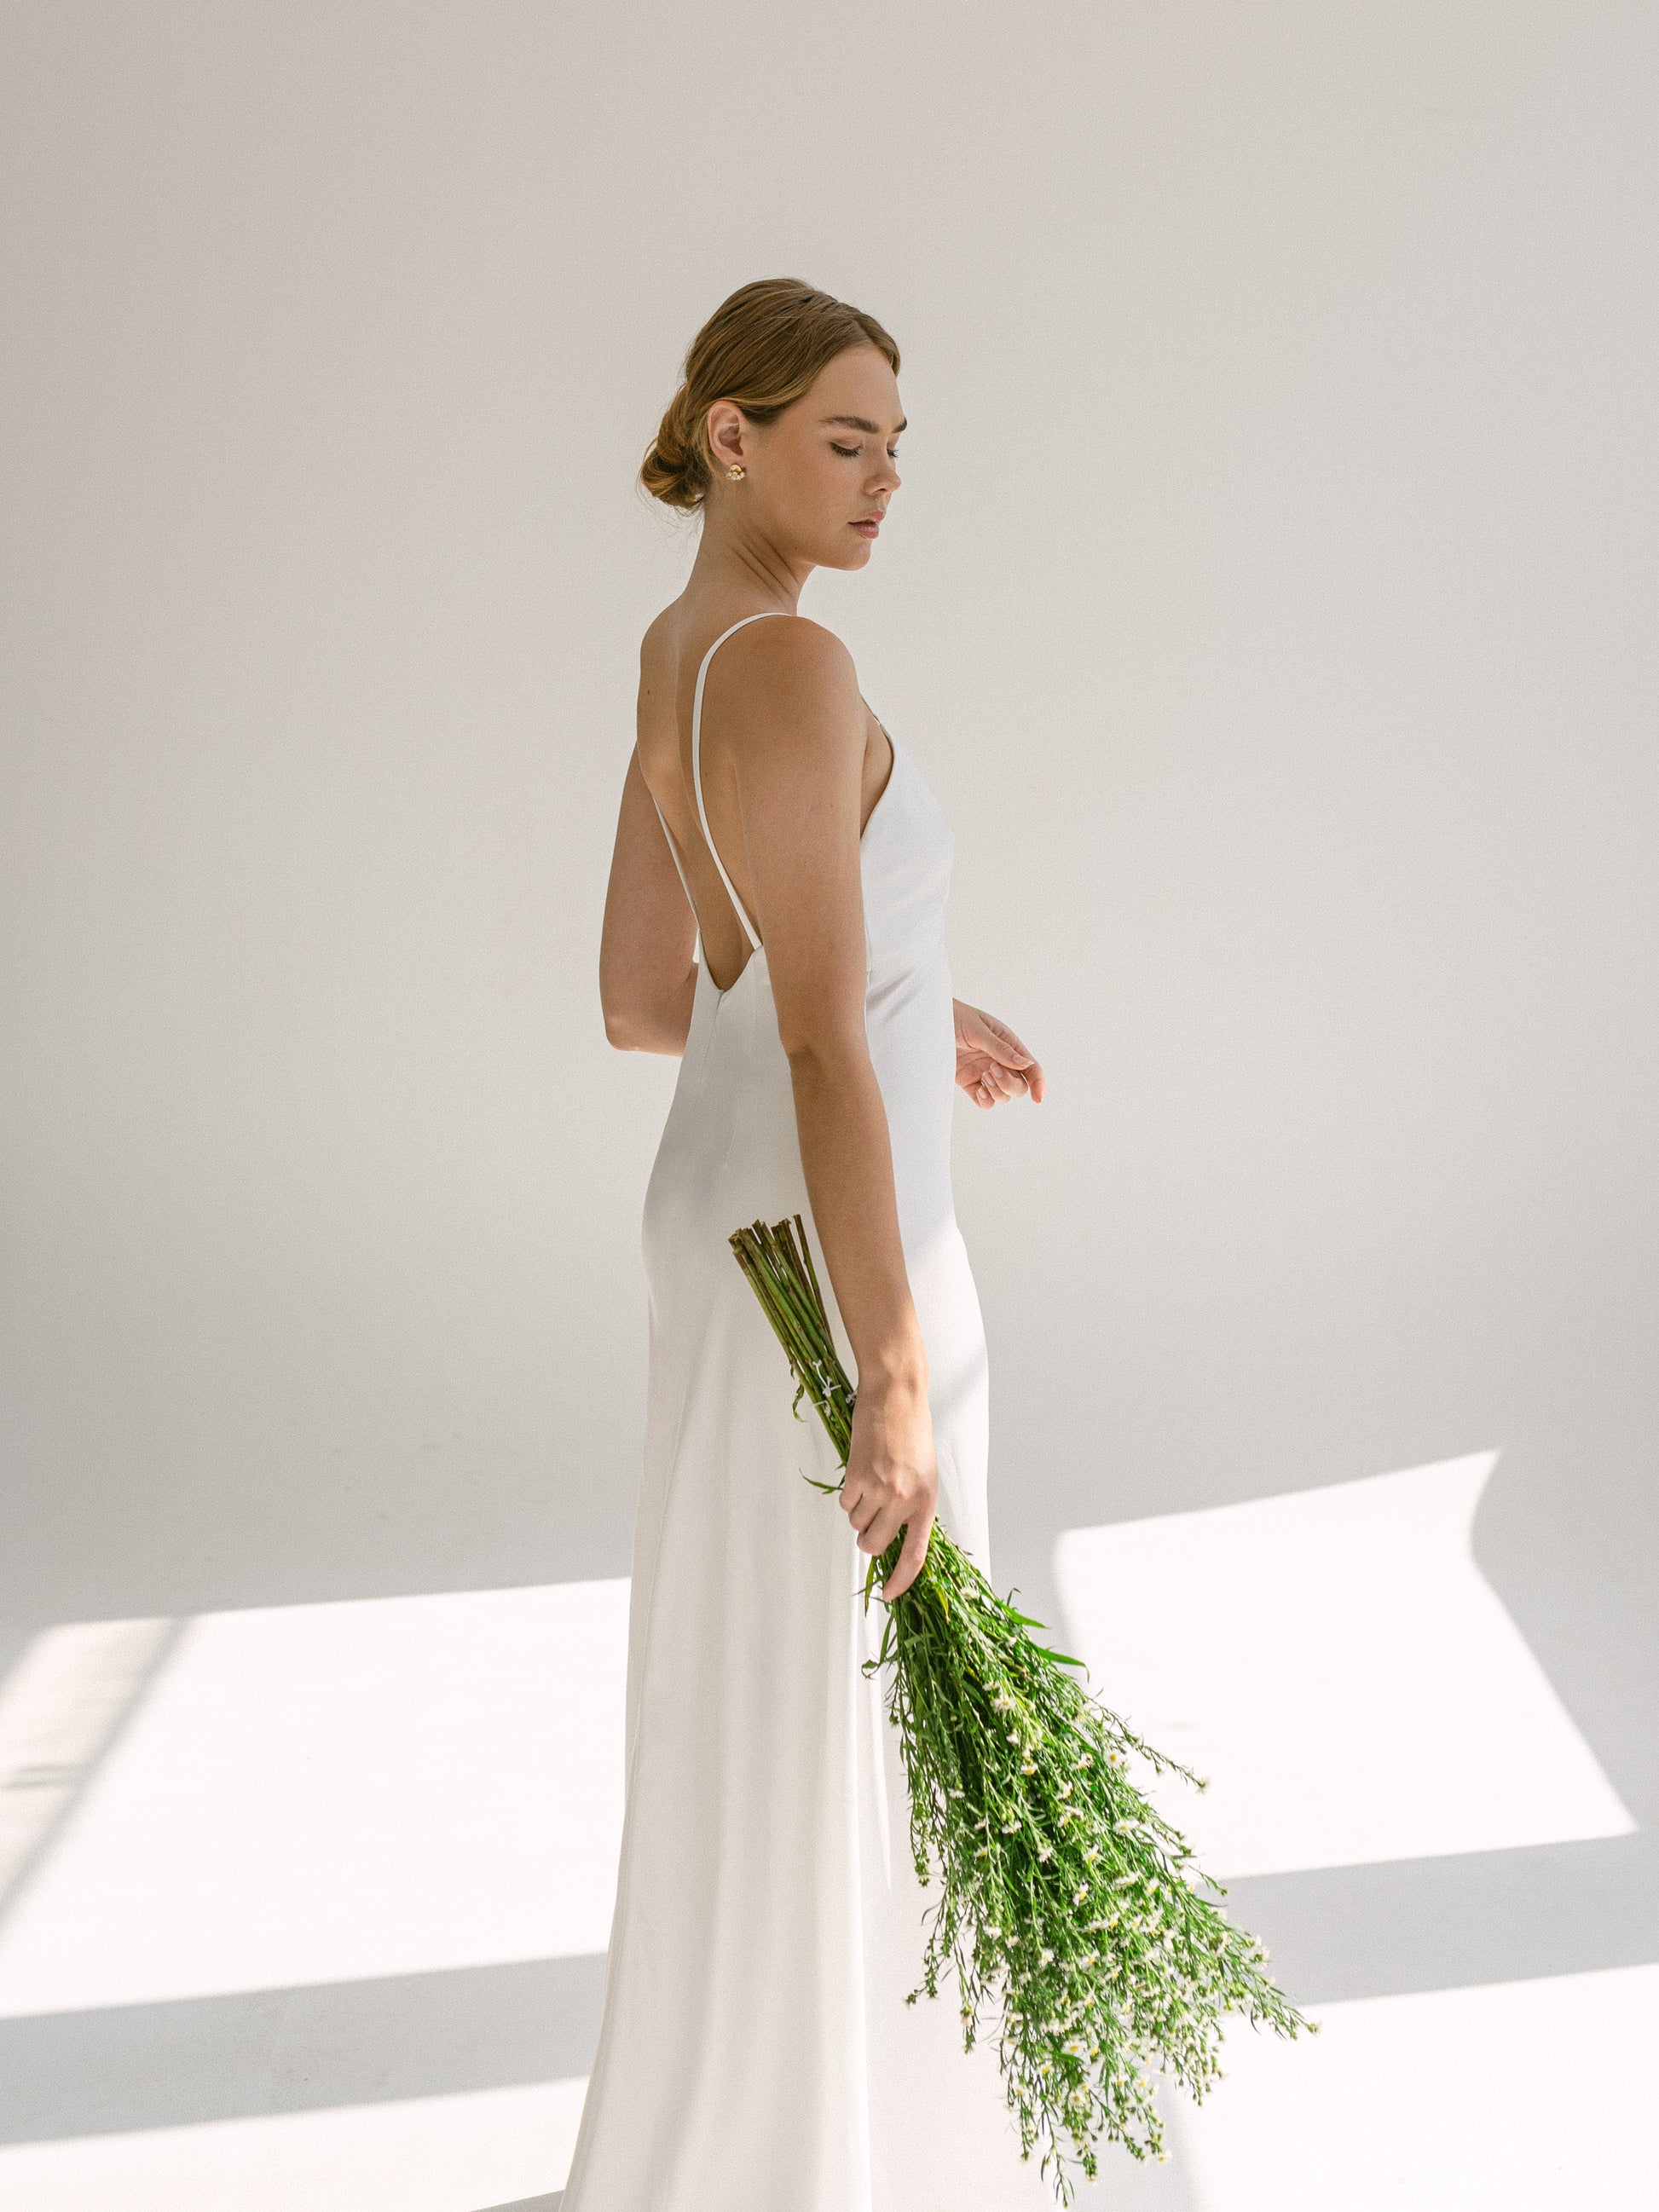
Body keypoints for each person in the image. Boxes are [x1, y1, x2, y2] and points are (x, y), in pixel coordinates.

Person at [573, 278, 1058, 2210]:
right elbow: (796, 1023)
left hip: (718, 1200)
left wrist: (904, 993)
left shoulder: (673, 647)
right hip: (826, 1229)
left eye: (894, 445)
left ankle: (755, 2129)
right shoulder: (789, 664)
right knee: (843, 1683)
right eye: (843, 438)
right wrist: (891, 1369)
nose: (881, 479)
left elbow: (643, 989)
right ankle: (844, 2162)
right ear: (731, 437)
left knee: (763, 1679)